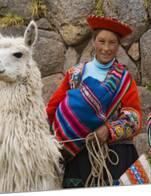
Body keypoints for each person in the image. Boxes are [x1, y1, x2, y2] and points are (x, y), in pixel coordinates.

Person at [46, 15, 142, 188]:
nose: (106, 48)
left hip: (116, 157)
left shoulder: (124, 80)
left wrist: (109, 130)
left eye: (112, 42)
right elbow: (52, 109)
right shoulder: (74, 74)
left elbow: (134, 119)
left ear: (118, 45)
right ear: (93, 42)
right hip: (78, 156)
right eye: (101, 41)